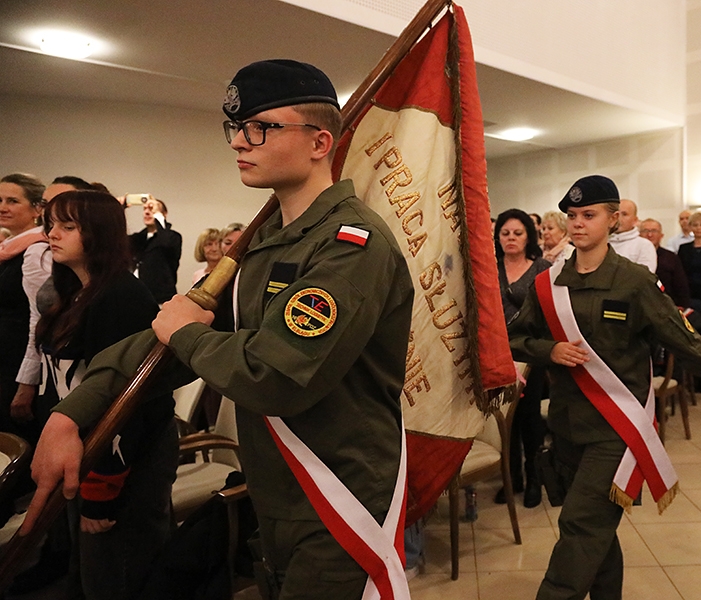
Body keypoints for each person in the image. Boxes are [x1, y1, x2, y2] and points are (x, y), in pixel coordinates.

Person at [26, 59, 414, 600]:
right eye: (237, 129)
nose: (240, 142)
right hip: (275, 485)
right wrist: (74, 411)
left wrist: (185, 331)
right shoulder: (266, 241)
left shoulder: (351, 245)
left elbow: (268, 375)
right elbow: (165, 339)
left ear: (320, 141)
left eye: (261, 128)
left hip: (336, 493)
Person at [507, 175, 701, 600]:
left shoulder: (634, 282)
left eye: (589, 215)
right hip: (566, 424)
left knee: (579, 525)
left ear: (613, 220)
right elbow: (515, 337)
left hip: (616, 430)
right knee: (597, 529)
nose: (578, 224)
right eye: (572, 216)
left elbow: (688, 345)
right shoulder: (549, 283)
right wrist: (550, 349)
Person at [36, 190, 178, 599]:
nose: (52, 234)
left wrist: (102, 490)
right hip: (86, 448)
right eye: (51, 225)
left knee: (116, 574)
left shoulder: (120, 296)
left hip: (123, 457)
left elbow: (132, 401)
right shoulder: (77, 290)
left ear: (97, 233)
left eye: (67, 226)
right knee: (87, 569)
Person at [494, 208, 551, 508]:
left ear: (528, 235)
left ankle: (534, 478)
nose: (511, 238)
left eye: (517, 233)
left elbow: (550, 312)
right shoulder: (489, 267)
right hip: (498, 355)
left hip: (531, 353)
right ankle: (511, 477)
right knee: (505, 420)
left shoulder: (542, 267)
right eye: (505, 233)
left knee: (529, 418)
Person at [0, 173, 51, 447]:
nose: (2, 207)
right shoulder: (8, 249)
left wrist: (26, 382)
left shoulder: (38, 251)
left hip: (16, 366)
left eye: (12, 200)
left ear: (36, 209)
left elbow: (40, 318)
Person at [129, 195, 182, 303]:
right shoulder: (138, 238)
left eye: (152, 209)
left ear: (163, 214)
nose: (147, 212)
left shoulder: (173, 237)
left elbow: (165, 242)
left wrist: (158, 215)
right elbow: (116, 239)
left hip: (161, 299)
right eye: (145, 209)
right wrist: (120, 209)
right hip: (136, 298)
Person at [639, 218, 691, 308]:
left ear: (661, 235)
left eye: (654, 231)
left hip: (667, 306)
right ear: (639, 235)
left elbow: (681, 284)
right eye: (645, 231)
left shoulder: (671, 257)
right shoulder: (634, 256)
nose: (649, 235)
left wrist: (682, 305)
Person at [608, 199, 656, 271]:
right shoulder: (602, 242)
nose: (619, 218)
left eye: (624, 214)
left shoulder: (644, 245)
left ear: (635, 220)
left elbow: (645, 276)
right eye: (616, 214)